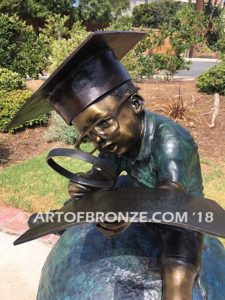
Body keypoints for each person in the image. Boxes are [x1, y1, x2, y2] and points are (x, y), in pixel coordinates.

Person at [8, 31, 222, 299]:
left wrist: (129, 213)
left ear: (135, 103)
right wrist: (85, 184)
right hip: (136, 191)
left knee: (177, 275)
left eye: (104, 123)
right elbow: (104, 171)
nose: (100, 138)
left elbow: (171, 194)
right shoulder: (117, 140)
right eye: (89, 134)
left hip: (178, 212)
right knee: (94, 194)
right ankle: (61, 217)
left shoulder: (170, 140)